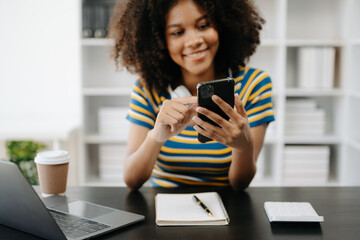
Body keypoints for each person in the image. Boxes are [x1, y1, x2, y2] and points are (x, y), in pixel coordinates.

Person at [109, 0, 275, 191]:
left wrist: (243, 147)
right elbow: (132, 180)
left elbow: (239, 184)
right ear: (160, 41)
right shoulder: (148, 89)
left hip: (226, 210)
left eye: (203, 26)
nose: (194, 40)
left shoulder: (254, 84)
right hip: (165, 210)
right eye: (178, 32)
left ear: (222, 25)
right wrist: (156, 137)